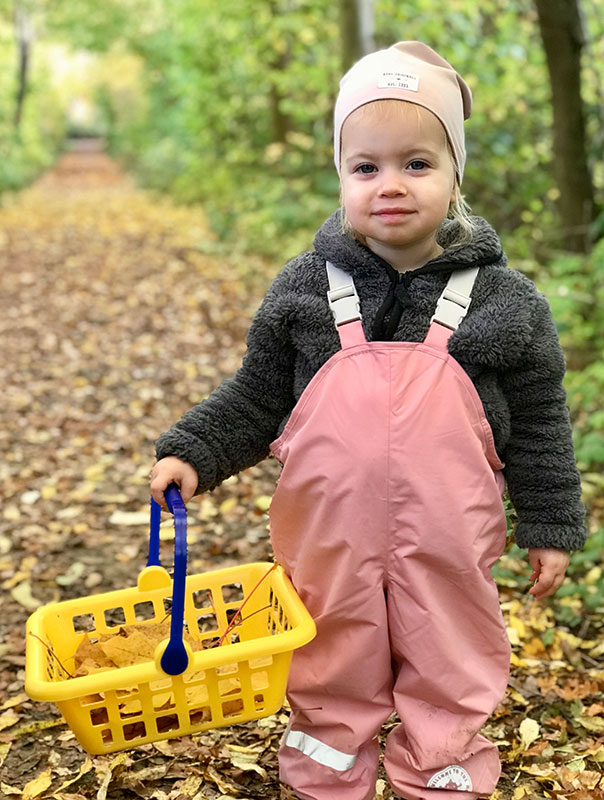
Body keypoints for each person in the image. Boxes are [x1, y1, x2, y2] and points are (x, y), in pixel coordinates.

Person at [150, 41, 586, 800]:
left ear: (456, 178)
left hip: (450, 533)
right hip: (328, 533)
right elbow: (258, 395)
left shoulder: (504, 301)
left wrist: (550, 522)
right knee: (326, 640)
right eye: (367, 167)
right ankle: (326, 753)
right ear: (341, 176)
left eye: (418, 165)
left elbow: (543, 421)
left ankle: (444, 760)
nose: (391, 186)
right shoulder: (305, 289)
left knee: (450, 643)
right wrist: (195, 450)